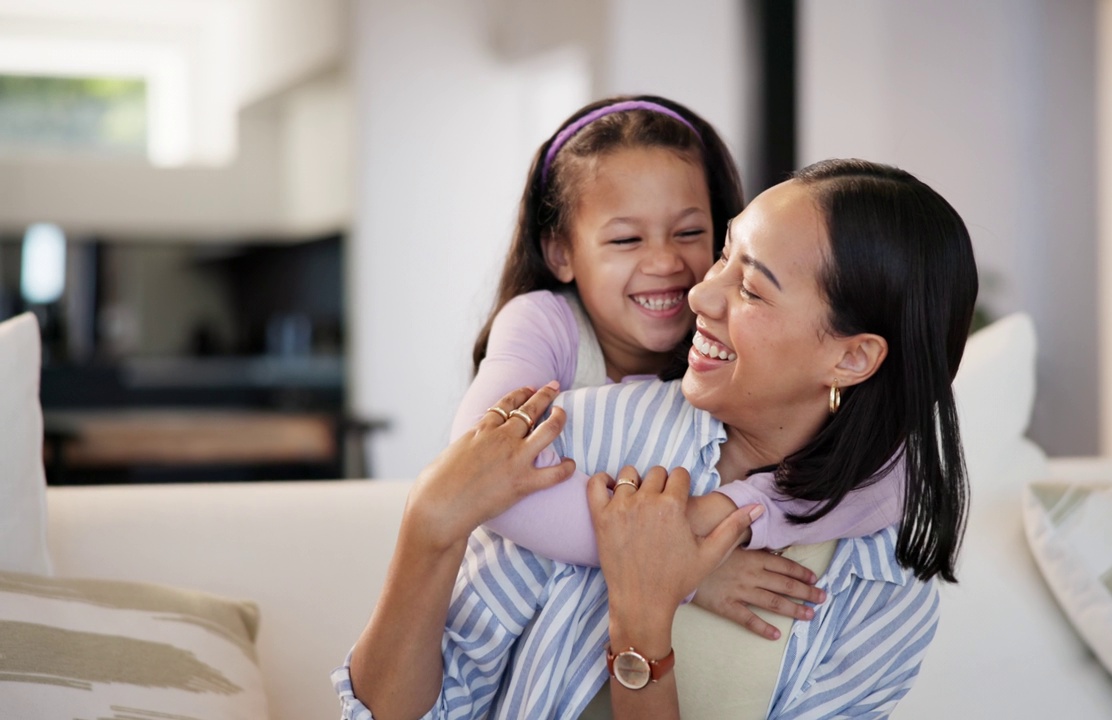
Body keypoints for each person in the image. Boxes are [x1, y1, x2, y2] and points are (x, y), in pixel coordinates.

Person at [338, 158, 977, 718]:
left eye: (751, 288)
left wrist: (643, 623)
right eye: (724, 256)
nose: (698, 292)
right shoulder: (589, 437)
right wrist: (428, 526)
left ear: (853, 359)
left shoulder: (882, 594)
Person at [455, 98, 907, 637]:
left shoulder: (734, 341)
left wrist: (727, 513)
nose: (667, 263)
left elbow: (888, 470)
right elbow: (481, 475)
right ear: (560, 254)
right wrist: (688, 572)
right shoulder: (542, 324)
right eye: (626, 239)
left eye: (690, 234)